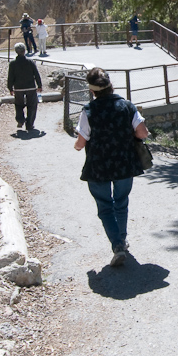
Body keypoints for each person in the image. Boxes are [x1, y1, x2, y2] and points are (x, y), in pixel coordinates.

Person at [73, 67, 149, 266]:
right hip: (124, 163)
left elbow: (81, 143)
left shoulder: (88, 110)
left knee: (105, 207)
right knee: (121, 202)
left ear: (92, 91)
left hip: (98, 167)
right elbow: (142, 133)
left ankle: (117, 244)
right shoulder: (127, 106)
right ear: (110, 85)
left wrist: (77, 145)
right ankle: (121, 241)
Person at [7, 42, 43, 131]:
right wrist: (39, 85)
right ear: (24, 51)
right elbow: (36, 74)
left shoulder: (13, 64)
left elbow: (10, 77)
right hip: (30, 87)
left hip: (18, 88)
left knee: (19, 105)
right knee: (32, 105)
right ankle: (29, 124)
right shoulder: (30, 62)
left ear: (16, 52)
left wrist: (10, 88)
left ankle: (20, 120)